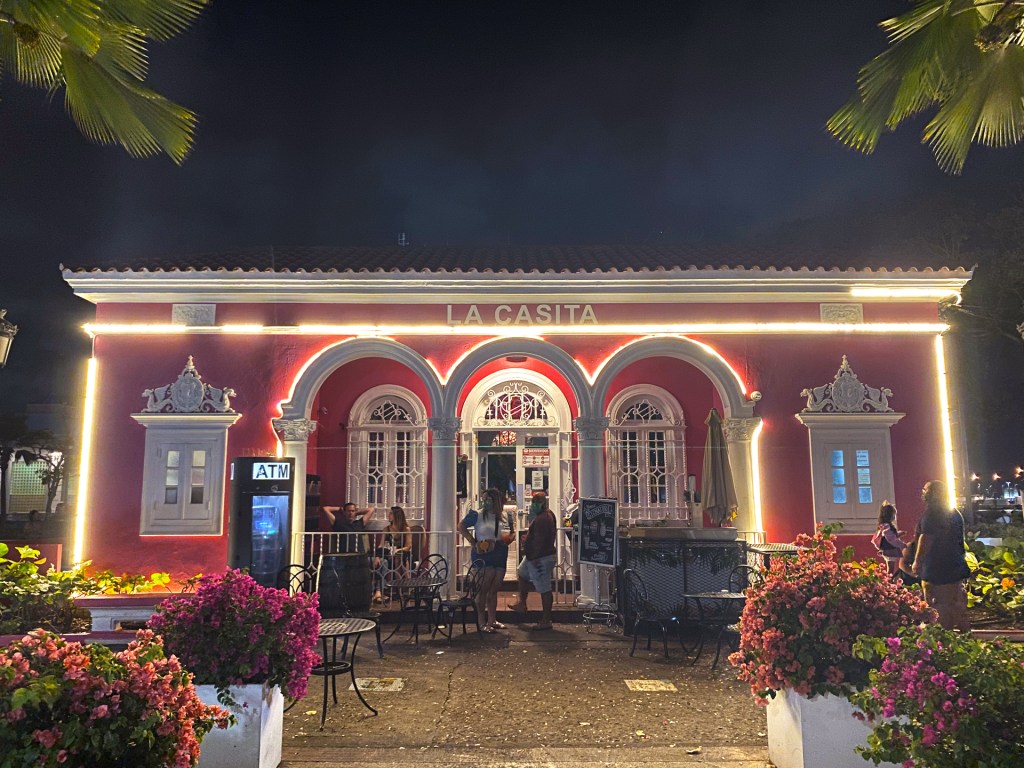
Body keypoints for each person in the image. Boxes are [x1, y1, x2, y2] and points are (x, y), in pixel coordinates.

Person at [911, 480, 971, 631]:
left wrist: (917, 562)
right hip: (956, 566)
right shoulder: (954, 512)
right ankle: (965, 636)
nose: (923, 493)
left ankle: (944, 638)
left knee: (939, 605)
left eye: (926, 490)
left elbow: (926, 539)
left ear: (934, 493)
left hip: (938, 569)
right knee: (956, 604)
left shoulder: (933, 514)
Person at [458, 488, 513, 633]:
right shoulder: (477, 514)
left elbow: (508, 533)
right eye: (484, 499)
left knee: (494, 589)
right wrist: (472, 541)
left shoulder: (504, 516)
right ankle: (481, 622)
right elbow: (461, 526)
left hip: (500, 552)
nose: (485, 502)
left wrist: (509, 538)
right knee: (482, 589)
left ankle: (492, 619)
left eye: (488, 499)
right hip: (483, 553)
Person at [508, 492, 557, 630]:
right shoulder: (547, 515)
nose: (533, 505)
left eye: (536, 502)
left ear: (542, 503)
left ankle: (546, 620)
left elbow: (540, 540)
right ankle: (522, 603)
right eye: (533, 501)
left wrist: (533, 556)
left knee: (544, 588)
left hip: (539, 557)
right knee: (522, 572)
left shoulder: (543, 518)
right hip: (536, 556)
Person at [372, 505, 412, 603]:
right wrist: (377, 556)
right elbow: (381, 545)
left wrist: (398, 550)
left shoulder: (406, 529)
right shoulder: (387, 529)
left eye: (390, 513)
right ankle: (400, 590)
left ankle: (407, 587)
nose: (388, 515)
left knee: (400, 558)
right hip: (390, 554)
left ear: (396, 515)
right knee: (394, 559)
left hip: (403, 553)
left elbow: (408, 546)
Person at [871, 502, 907, 577]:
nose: (895, 517)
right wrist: (903, 545)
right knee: (890, 569)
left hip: (887, 549)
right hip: (890, 550)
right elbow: (891, 539)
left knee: (890, 568)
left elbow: (891, 536)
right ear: (890, 516)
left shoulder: (884, 525)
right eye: (894, 515)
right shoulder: (887, 526)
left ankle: (889, 581)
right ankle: (889, 582)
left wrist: (899, 533)